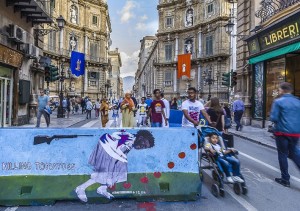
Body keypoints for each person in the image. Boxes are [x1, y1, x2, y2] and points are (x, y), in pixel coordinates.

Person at [75, 130, 155, 202]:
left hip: (109, 147)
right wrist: (110, 177)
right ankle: (81, 188)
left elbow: (120, 155)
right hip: (106, 147)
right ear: (140, 138)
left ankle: (102, 188)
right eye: (143, 144)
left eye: (145, 147)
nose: (142, 147)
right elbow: (115, 157)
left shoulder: (132, 139)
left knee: (116, 170)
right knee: (106, 172)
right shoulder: (129, 141)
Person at [270, 82, 300, 187]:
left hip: (282, 132)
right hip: (295, 133)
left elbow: (273, 118)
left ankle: (285, 179)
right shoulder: (298, 102)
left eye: (279, 90)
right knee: (294, 153)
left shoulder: (278, 102)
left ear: (282, 90)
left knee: (282, 154)